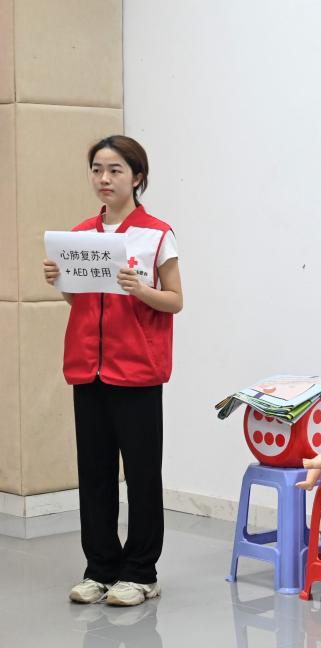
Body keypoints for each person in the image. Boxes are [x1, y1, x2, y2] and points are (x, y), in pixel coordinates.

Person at [43, 135, 183, 607]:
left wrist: (140, 289)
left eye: (115, 170)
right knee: (95, 474)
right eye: (97, 170)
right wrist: (60, 283)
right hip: (88, 370)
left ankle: (141, 572)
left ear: (137, 177)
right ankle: (100, 568)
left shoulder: (157, 234)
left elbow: (175, 300)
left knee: (141, 476)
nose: (104, 179)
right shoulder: (79, 236)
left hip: (138, 371)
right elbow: (81, 301)